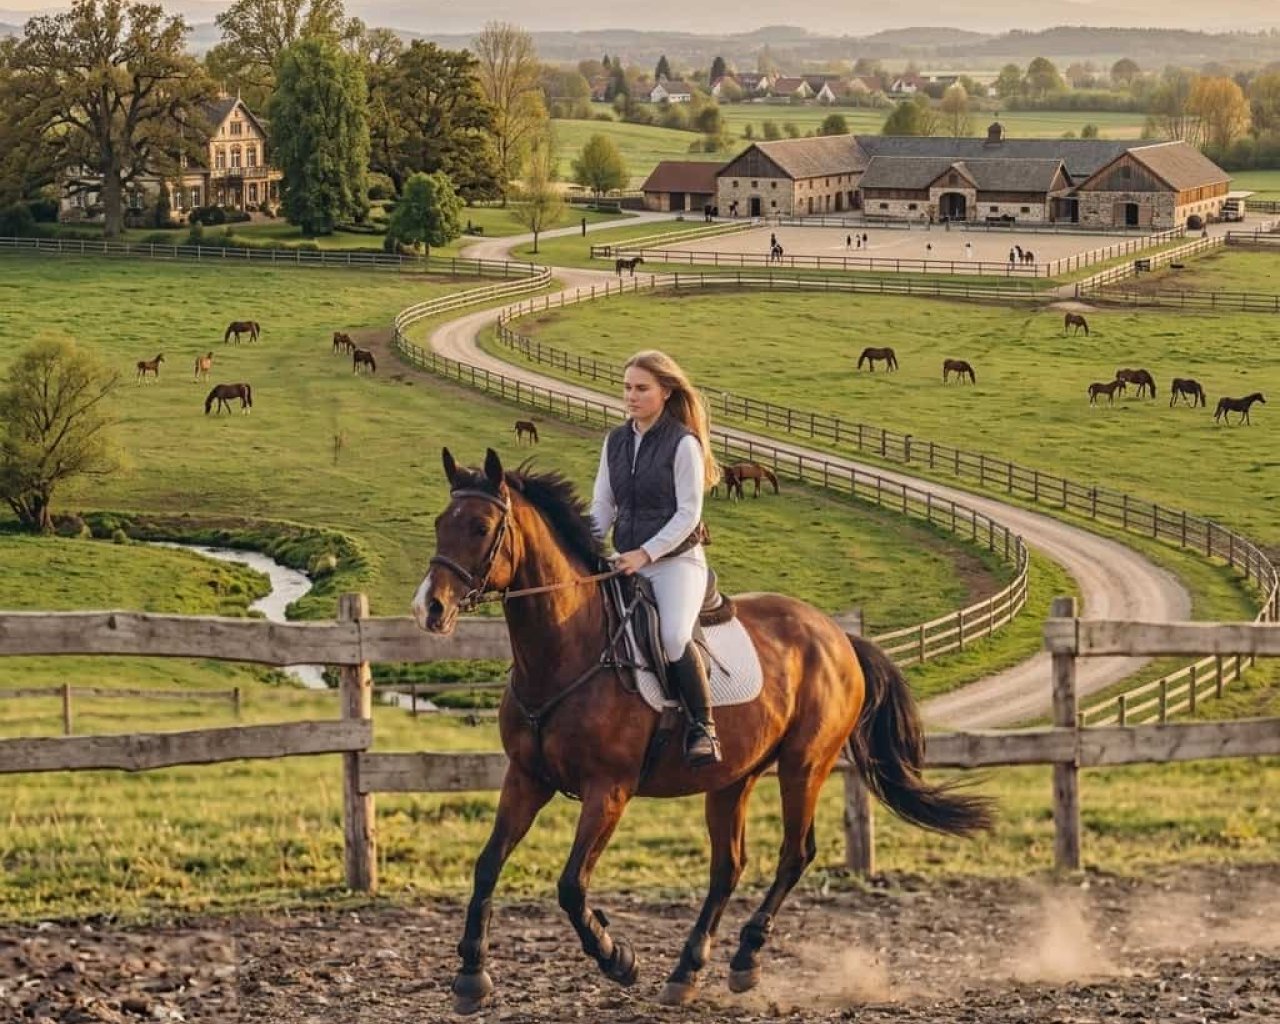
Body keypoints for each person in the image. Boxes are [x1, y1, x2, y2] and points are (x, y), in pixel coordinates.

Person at [590, 351, 723, 767]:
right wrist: (582, 546)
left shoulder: (683, 443)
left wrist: (645, 554)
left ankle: (704, 728)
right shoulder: (615, 441)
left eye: (641, 388)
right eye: (627, 387)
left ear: (665, 392)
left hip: (675, 563)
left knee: (672, 637)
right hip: (624, 557)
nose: (631, 396)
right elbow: (603, 505)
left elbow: (689, 515)